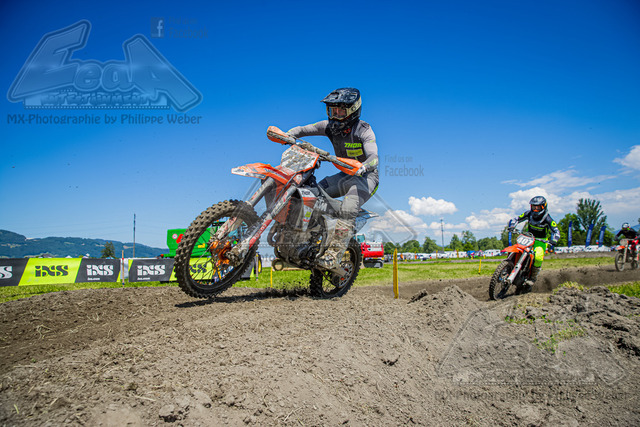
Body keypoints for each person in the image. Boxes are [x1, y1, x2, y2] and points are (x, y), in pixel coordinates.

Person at [285, 88, 379, 274]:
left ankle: (334, 254)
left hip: (366, 177)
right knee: (311, 194)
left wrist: (364, 166)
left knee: (349, 206)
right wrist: (288, 135)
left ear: (353, 110)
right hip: (344, 176)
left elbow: (374, 157)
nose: (335, 115)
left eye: (340, 111)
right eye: (332, 110)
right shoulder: (327, 126)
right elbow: (303, 129)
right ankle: (309, 239)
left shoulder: (364, 130)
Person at [507, 196, 560, 291]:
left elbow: (556, 231)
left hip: (541, 241)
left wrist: (554, 240)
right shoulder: (528, 213)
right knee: (515, 249)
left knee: (538, 257)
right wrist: (512, 226)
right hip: (528, 237)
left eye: (538, 207)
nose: (535, 209)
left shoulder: (548, 219)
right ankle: (507, 268)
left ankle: (532, 278)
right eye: (533, 207)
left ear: (543, 207)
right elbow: (516, 219)